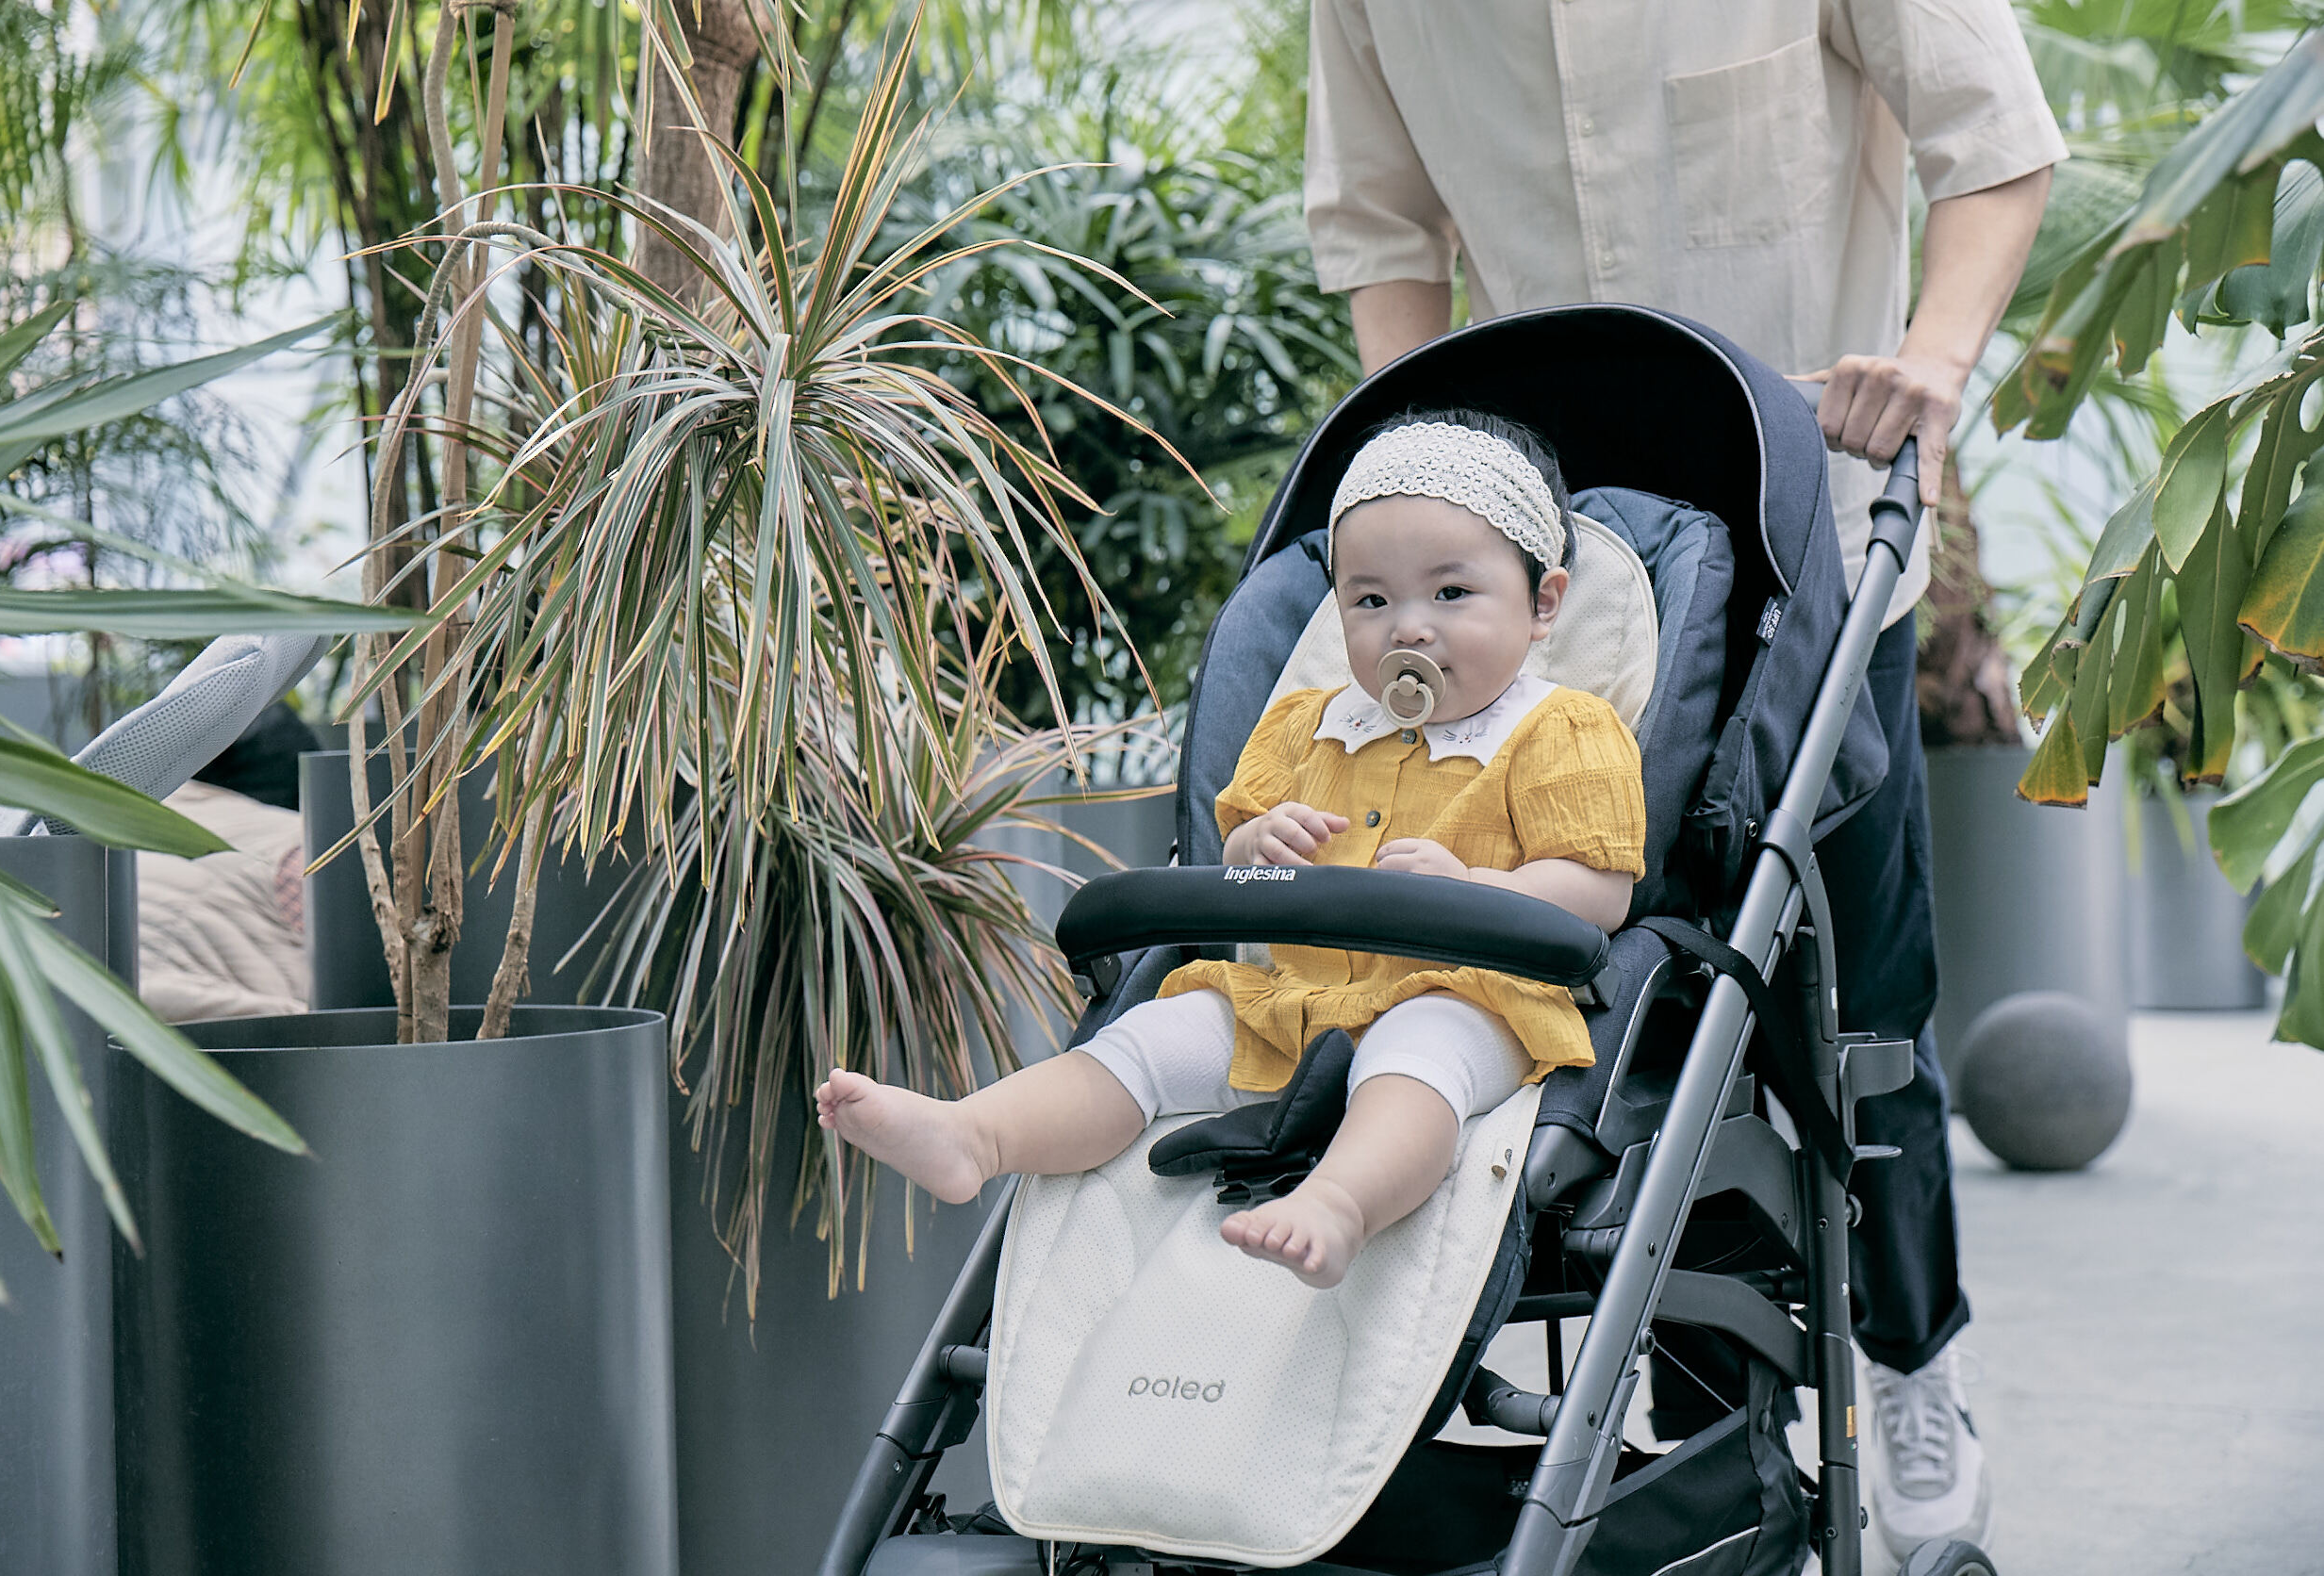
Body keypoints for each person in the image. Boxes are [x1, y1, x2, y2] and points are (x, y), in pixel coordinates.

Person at [1301, 0, 2063, 1556]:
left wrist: (1929, 359)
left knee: (1860, 1035)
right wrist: (1422, 473)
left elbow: (1992, 141)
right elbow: (1381, 227)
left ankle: (1913, 1359)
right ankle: (1706, 1445)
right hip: (1562, 606)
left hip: (1820, 550)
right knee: (1641, 1018)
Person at [819, 411, 1644, 1289]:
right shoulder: (1310, 725)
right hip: (1292, 995)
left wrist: (1480, 885)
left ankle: (1340, 1202)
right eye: (1371, 601)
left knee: (1418, 1054)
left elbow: (1600, 889)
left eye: (1451, 595)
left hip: (1473, 996)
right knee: (1154, 1036)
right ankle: (976, 1134)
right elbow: (1239, 863)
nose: (1408, 629)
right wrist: (1258, 845)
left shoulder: (1559, 728)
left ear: (1543, 603)